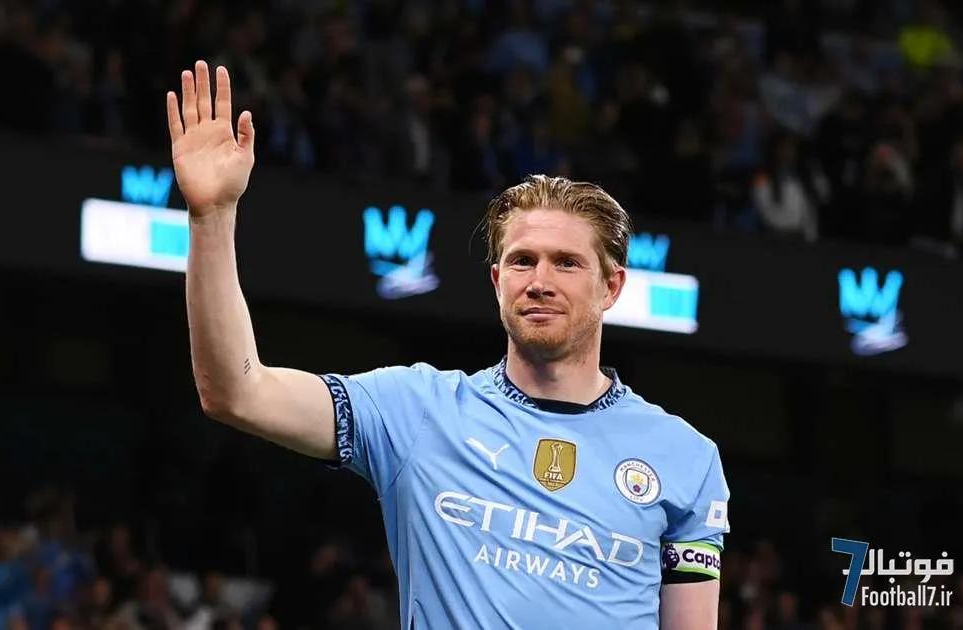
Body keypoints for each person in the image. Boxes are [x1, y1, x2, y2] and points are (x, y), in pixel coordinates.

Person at [168, 61, 730, 629]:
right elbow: (237, 392)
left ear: (611, 286)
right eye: (522, 261)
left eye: (566, 263)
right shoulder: (415, 411)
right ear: (497, 281)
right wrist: (211, 217)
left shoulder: (686, 458)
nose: (540, 281)